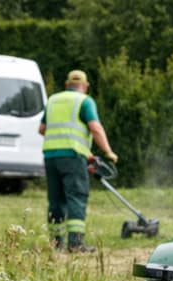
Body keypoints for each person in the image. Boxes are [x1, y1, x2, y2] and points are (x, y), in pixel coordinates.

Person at [39, 69, 118, 252]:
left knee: (56, 200)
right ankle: (75, 244)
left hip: (50, 156)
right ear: (86, 86)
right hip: (73, 157)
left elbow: (42, 129)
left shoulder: (52, 100)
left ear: (67, 84)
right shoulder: (85, 101)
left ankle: (56, 244)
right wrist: (109, 152)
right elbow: (95, 128)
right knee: (76, 197)